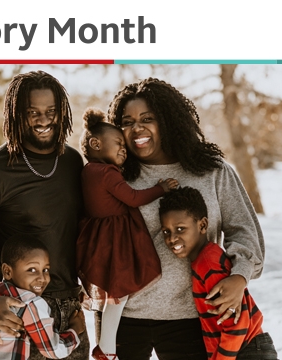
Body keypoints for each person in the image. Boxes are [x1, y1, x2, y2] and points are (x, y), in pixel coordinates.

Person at [106, 78, 265, 360]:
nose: (136, 128)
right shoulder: (114, 177)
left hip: (193, 318)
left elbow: (245, 231)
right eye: (127, 121)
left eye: (147, 118)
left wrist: (240, 276)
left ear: (168, 120)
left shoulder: (211, 172)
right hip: (125, 318)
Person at [0, 70, 89, 359]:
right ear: (16, 115)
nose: (44, 120)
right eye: (33, 112)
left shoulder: (73, 162)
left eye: (51, 111)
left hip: (70, 310)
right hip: (19, 314)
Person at [75, 108, 179, 360]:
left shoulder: (87, 171)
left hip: (98, 236)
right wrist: (160, 188)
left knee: (116, 295)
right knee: (118, 294)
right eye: (118, 143)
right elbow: (132, 198)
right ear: (96, 143)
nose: (124, 148)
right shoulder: (107, 173)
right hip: (116, 239)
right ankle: (106, 347)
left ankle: (107, 346)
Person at [159, 187, 278, 360]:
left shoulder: (209, 264)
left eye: (180, 229)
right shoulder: (205, 260)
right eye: (166, 232)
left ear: (202, 225)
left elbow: (237, 323)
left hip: (248, 351)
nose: (171, 238)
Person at [0, 235, 87, 359]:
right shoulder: (30, 303)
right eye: (32, 270)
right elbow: (53, 350)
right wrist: (75, 329)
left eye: (46, 270)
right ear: (7, 271)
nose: (42, 278)